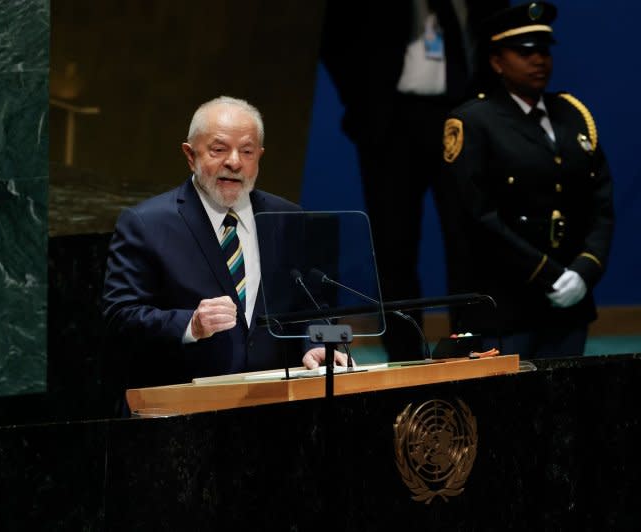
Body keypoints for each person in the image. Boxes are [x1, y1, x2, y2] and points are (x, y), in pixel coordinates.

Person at [102, 96, 349, 390]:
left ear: (259, 156)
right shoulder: (146, 224)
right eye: (219, 150)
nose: (234, 162)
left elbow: (317, 303)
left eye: (246, 151)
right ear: (190, 155)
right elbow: (120, 317)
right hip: (188, 405)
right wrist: (190, 324)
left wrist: (321, 343)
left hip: (277, 400)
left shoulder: (288, 217)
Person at [319, 0, 508, 362]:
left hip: (464, 118)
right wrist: (362, 102)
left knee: (470, 242)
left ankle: (471, 349)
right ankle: (405, 358)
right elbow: (336, 40)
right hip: (391, 124)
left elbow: (495, 40)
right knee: (393, 251)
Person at [437, 2, 615, 359]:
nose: (539, 61)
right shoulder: (474, 122)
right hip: (507, 303)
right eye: (524, 52)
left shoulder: (573, 115)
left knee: (566, 404)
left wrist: (584, 270)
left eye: (544, 51)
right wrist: (547, 273)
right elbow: (478, 218)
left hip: (569, 299)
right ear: (497, 61)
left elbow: (601, 204)